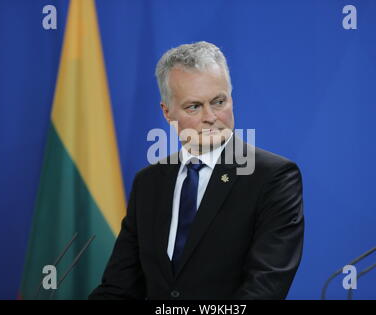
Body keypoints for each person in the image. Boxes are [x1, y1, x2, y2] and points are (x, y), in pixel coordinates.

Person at [89, 41, 304, 300]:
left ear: (231, 99)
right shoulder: (148, 182)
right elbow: (119, 287)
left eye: (219, 101)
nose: (210, 116)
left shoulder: (272, 177)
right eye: (194, 106)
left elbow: (264, 288)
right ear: (167, 113)